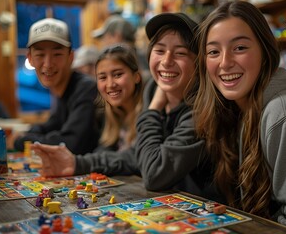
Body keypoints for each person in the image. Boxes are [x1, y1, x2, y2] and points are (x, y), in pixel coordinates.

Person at [192, 1, 286, 232]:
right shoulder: (238, 109)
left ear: (265, 52)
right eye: (214, 51)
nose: (225, 62)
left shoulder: (284, 113)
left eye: (240, 48)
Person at [31, 44, 144, 177]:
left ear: (136, 76)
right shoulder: (111, 113)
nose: (110, 84)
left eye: (118, 74)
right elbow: (103, 151)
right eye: (102, 77)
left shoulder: (149, 111)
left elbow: (137, 157)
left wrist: (79, 163)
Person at [134, 13, 208, 197]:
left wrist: (153, 109)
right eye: (159, 51)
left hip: (214, 214)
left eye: (180, 53)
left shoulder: (203, 111)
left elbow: (154, 174)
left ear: (198, 62)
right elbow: (140, 153)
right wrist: (78, 163)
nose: (166, 61)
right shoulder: (154, 90)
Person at [10, 18, 101, 155]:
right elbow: (49, 126)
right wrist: (25, 134)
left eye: (57, 54)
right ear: (30, 58)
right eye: (40, 54)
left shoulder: (86, 88)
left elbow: (70, 144)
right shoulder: (63, 91)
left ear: (71, 57)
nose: (48, 64)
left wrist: (21, 141)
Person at [93, 15, 150, 82]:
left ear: (117, 36)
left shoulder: (118, 59)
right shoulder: (146, 56)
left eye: (104, 37)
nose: (103, 42)